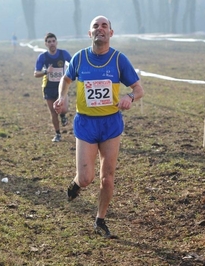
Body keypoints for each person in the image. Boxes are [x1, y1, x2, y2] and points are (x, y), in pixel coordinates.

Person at [53, 15, 144, 238]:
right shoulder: (80, 58)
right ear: (90, 33)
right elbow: (65, 80)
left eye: (104, 26)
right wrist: (62, 98)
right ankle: (76, 183)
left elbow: (139, 89)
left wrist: (129, 98)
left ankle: (100, 219)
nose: (100, 29)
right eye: (96, 26)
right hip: (86, 123)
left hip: (111, 123)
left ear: (111, 33)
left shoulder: (119, 60)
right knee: (86, 178)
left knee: (107, 176)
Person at [34, 33, 72, 142]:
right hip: (49, 87)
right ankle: (57, 134)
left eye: (53, 41)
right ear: (46, 44)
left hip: (62, 86)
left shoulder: (63, 54)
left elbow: (74, 64)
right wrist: (46, 71)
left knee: (64, 108)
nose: (52, 43)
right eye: (49, 42)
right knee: (53, 112)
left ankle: (63, 115)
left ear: (56, 42)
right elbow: (36, 73)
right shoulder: (43, 57)